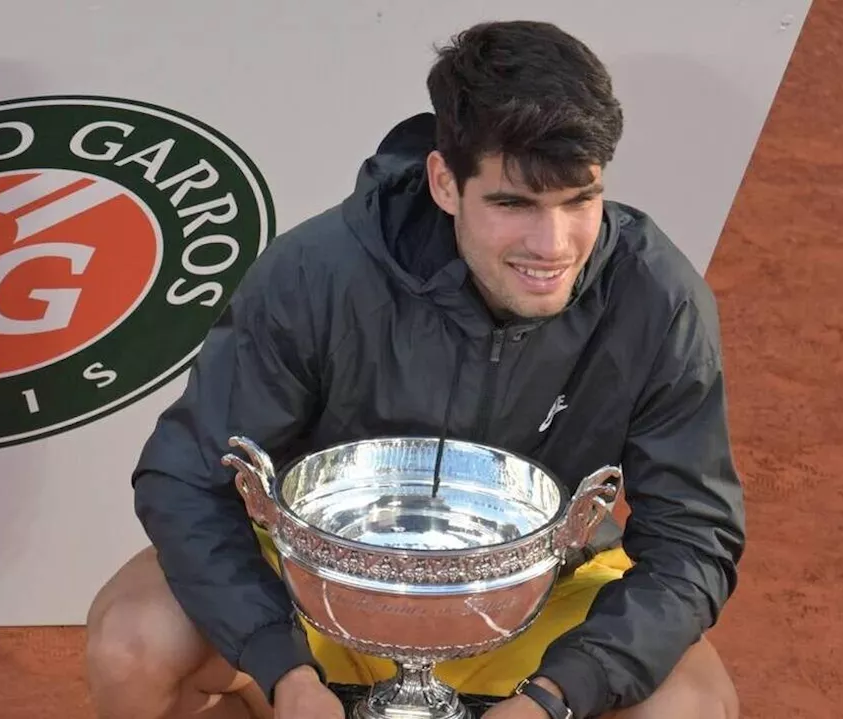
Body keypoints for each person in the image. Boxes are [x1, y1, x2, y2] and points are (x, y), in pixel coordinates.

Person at [86, 19, 746, 719]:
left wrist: (560, 693)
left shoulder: (657, 295)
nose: (553, 244)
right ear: (444, 182)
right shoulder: (318, 272)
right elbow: (187, 478)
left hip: (540, 594)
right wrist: (284, 669)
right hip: (316, 588)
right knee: (132, 642)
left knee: (693, 706)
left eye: (578, 200)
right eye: (513, 204)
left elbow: (693, 533)